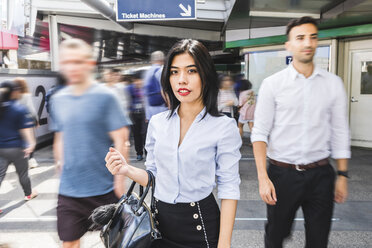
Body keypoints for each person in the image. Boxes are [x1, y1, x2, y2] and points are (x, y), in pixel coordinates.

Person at [105, 39, 241, 248]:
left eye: (191, 71)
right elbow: (155, 177)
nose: (182, 80)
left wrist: (225, 243)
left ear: (205, 75)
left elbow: (229, 186)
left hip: (200, 225)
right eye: (174, 72)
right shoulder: (158, 123)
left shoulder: (223, 126)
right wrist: (127, 169)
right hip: (158, 225)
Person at [251, 16, 350, 248]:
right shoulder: (273, 84)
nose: (308, 43)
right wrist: (263, 178)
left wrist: (343, 175)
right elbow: (260, 133)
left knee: (318, 239)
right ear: (289, 45)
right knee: (276, 235)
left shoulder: (333, 84)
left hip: (321, 174)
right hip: (282, 174)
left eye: (313, 37)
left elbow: (340, 132)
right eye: (301, 38)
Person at [51, 39, 131, 248]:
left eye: (78, 62)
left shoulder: (106, 97)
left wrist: (119, 183)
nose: (72, 67)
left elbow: (121, 140)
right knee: (68, 243)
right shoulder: (58, 99)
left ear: (90, 64)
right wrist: (59, 163)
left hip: (104, 188)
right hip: (70, 190)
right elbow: (60, 135)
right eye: (67, 62)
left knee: (116, 243)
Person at [0, 80, 38, 215]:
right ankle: (28, 194)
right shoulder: (19, 109)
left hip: (1, 148)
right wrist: (31, 144)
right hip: (17, 148)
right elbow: (25, 130)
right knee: (23, 174)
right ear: (14, 92)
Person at [13, 77, 39, 169]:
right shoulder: (26, 96)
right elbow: (31, 109)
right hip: (27, 122)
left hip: (15, 122)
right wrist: (36, 120)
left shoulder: (11, 96)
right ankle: (31, 160)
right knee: (30, 141)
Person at [127, 71, 147, 161]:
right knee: (136, 134)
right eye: (136, 80)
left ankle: (148, 153)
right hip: (133, 114)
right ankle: (139, 153)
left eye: (140, 80)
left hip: (144, 113)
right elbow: (127, 101)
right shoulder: (129, 88)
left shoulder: (146, 88)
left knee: (145, 133)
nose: (138, 82)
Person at [143, 50, 168, 121]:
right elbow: (164, 90)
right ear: (162, 60)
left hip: (150, 108)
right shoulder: (160, 70)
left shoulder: (147, 72)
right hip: (161, 108)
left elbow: (144, 95)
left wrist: (147, 114)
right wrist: (170, 105)